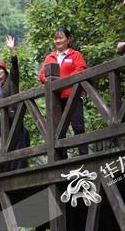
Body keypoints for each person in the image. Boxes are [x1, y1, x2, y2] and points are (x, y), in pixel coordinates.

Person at [39, 27, 88, 155]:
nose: (58, 41)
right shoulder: (50, 57)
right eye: (56, 38)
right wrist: (52, 83)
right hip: (55, 99)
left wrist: (61, 81)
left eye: (61, 37)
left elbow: (80, 69)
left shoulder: (75, 55)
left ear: (68, 39)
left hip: (72, 95)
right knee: (58, 129)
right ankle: (61, 157)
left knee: (78, 126)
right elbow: (42, 75)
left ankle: (84, 155)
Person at [0, 35, 30, 170]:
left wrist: (12, 50)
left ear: (5, 71)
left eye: (0, 69)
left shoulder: (11, 81)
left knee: (18, 142)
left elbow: (15, 67)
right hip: (0, 122)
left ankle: (18, 170)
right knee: (5, 145)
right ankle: (7, 170)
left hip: (13, 118)